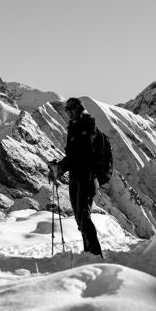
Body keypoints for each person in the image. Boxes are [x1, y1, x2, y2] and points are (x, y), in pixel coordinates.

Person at [52, 97, 112, 255]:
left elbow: (81, 155)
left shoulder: (87, 126)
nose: (68, 112)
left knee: (83, 217)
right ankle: (89, 252)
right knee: (80, 219)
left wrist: (62, 166)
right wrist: (60, 166)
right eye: (67, 109)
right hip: (75, 178)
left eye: (71, 108)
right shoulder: (73, 128)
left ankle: (96, 254)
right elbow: (73, 156)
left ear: (80, 108)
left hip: (87, 178)